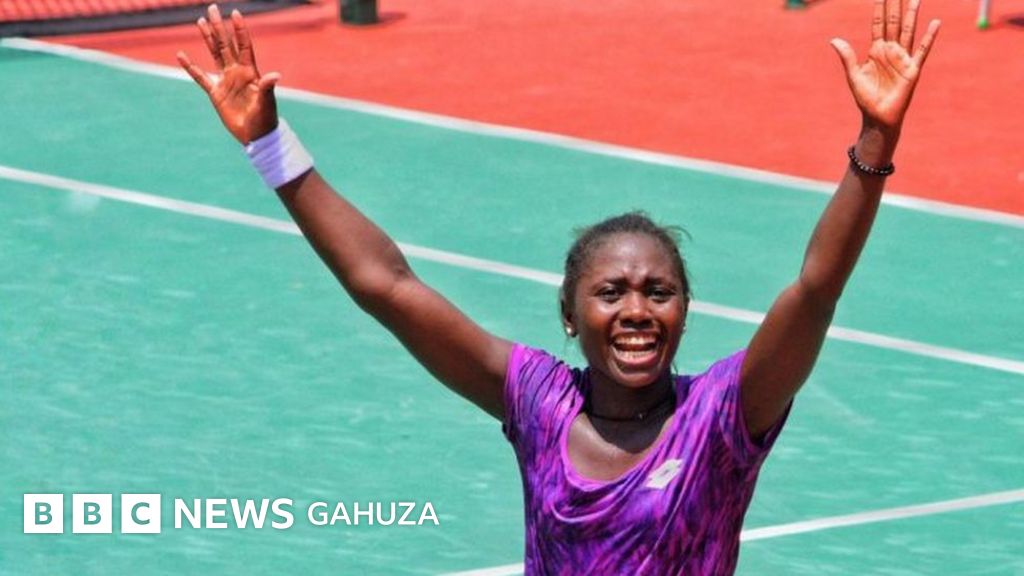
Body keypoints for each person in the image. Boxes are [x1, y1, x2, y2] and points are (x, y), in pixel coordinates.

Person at [176, 2, 940, 573]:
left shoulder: (721, 418)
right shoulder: (539, 404)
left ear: (684, 312)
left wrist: (876, 140)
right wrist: (270, 147)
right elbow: (387, 286)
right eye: (611, 293)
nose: (637, 310)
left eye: (659, 292)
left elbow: (815, 289)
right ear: (569, 316)